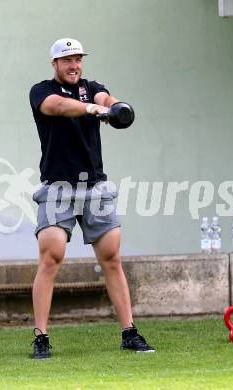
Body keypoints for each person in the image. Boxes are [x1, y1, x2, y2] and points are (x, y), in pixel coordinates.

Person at [29, 38, 154, 359]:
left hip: (96, 188)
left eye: (78, 60)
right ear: (54, 64)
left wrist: (115, 107)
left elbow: (105, 98)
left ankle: (129, 332)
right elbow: (58, 107)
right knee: (51, 258)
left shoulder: (91, 87)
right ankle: (41, 337)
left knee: (112, 258)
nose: (74, 65)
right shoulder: (41, 91)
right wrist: (92, 110)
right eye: (67, 60)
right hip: (58, 189)